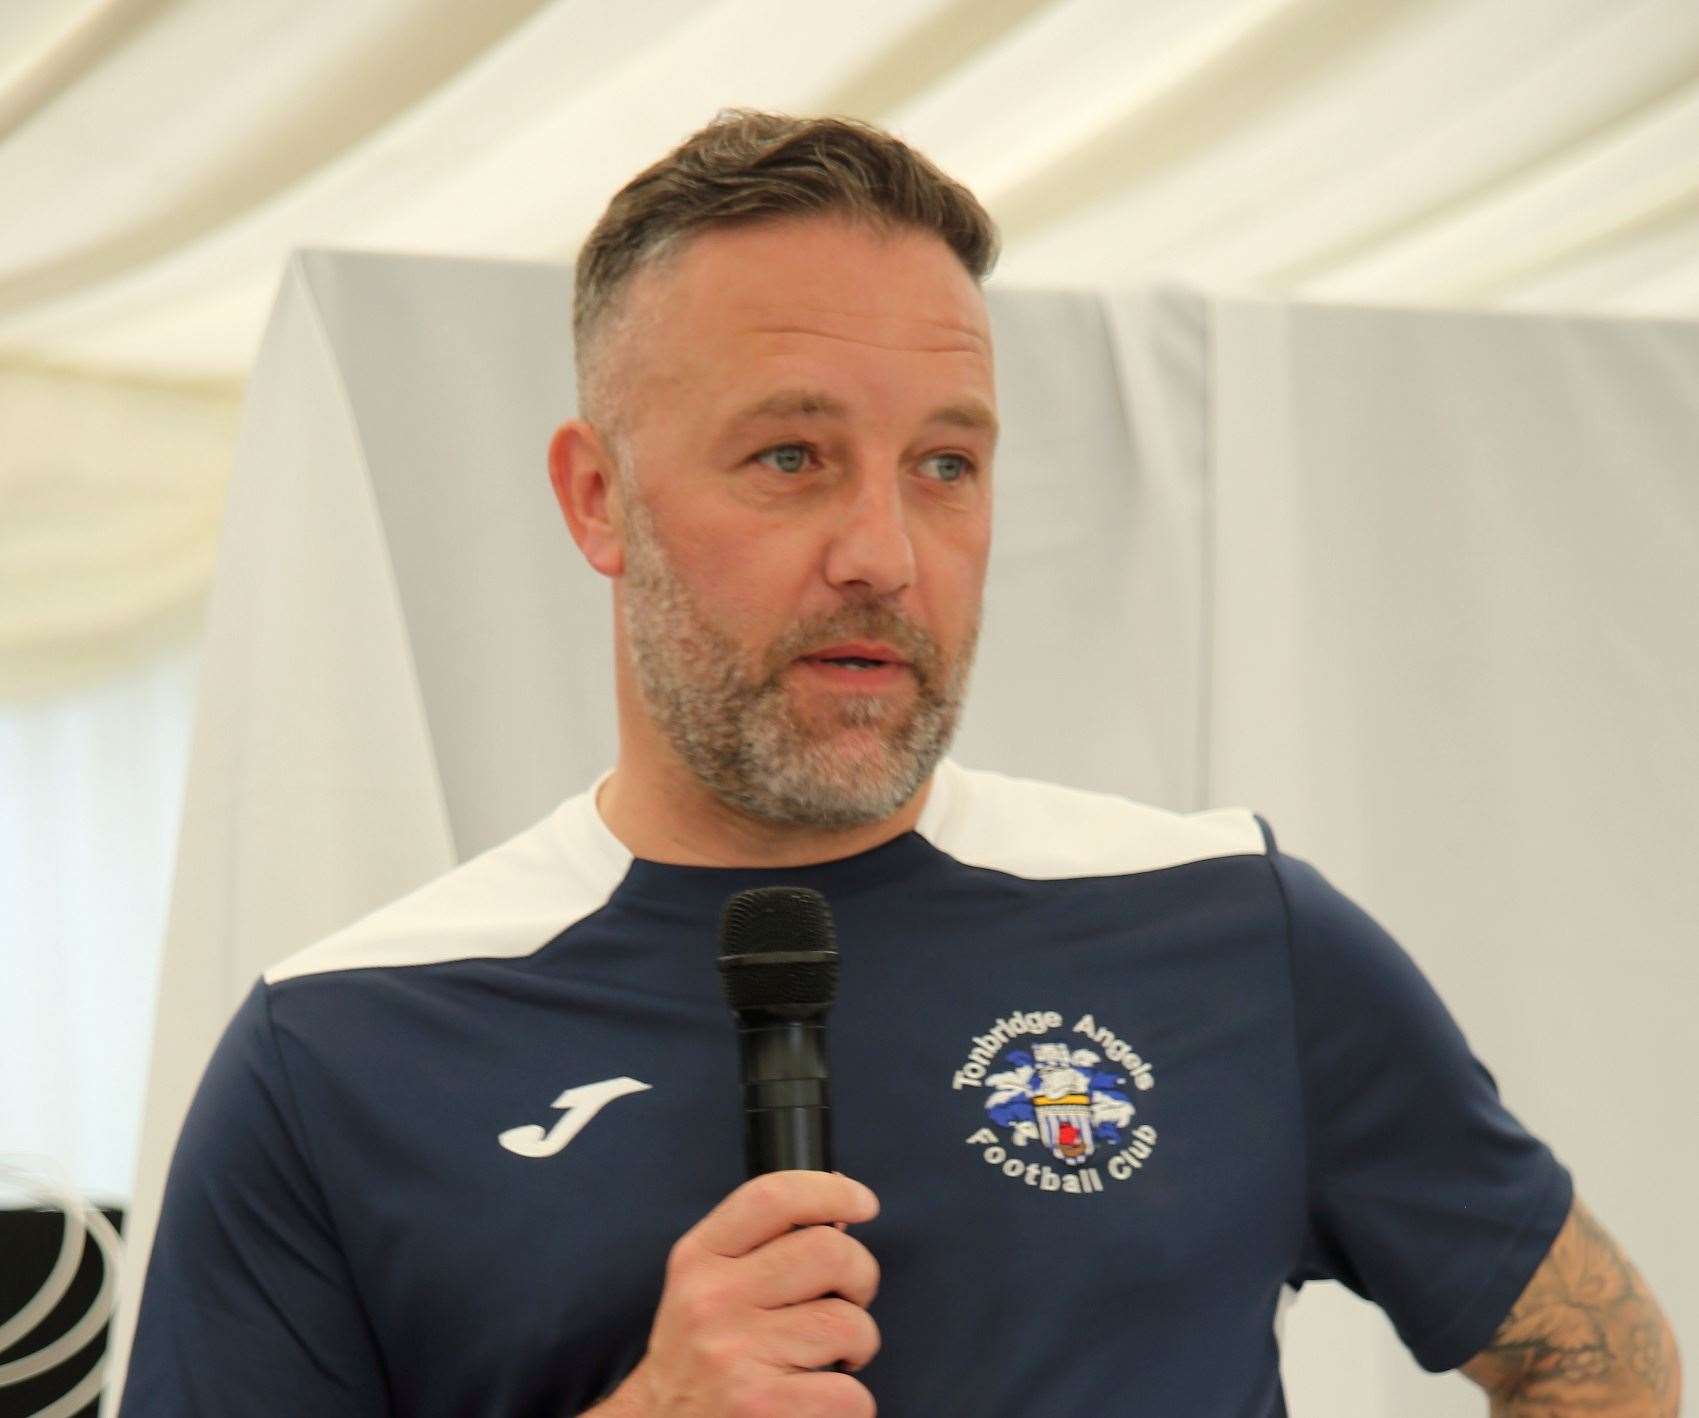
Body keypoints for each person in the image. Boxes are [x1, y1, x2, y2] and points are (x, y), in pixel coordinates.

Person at [119, 109, 1680, 1418]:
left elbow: (1602, 1357)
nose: (884, 552)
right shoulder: (335, 1050)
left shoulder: (1229, 925)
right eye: (790, 455)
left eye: (946, 463)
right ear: (598, 498)